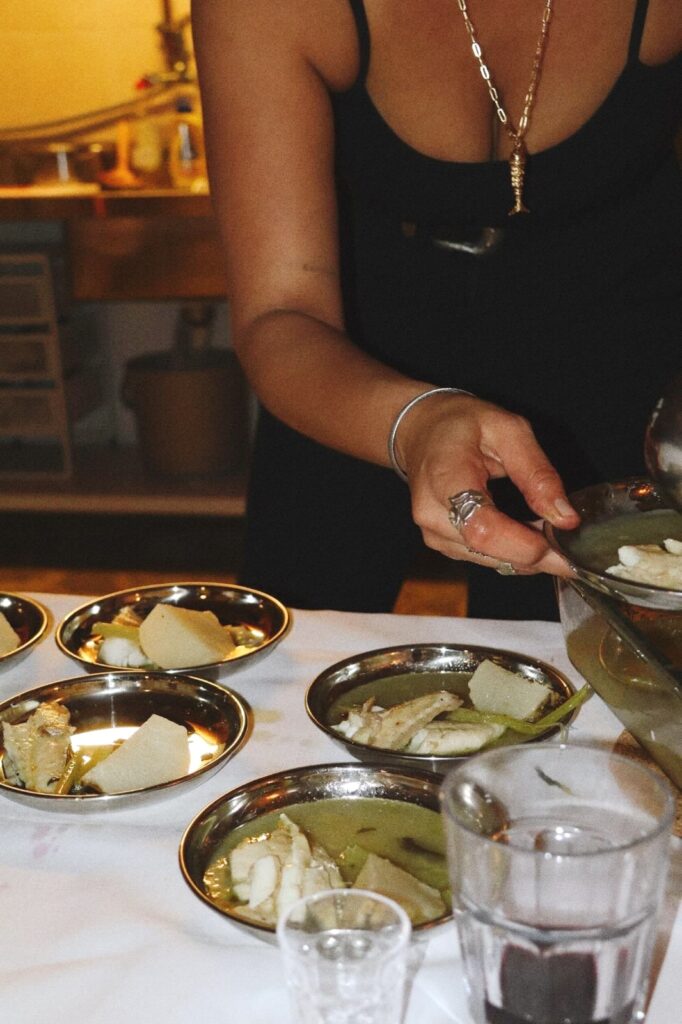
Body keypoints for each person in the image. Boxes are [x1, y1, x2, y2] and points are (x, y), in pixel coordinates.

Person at [192, 0, 681, 618]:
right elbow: (280, 311)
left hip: (619, 362)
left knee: (602, 655)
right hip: (344, 378)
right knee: (298, 639)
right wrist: (415, 423)